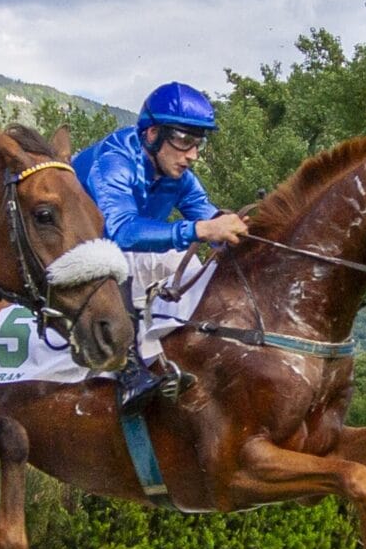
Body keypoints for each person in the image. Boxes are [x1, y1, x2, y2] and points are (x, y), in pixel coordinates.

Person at [72, 81, 249, 412]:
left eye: (198, 142)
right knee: (120, 261)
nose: (192, 155)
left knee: (193, 267)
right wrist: (202, 229)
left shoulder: (178, 175)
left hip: (117, 253)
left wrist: (240, 232)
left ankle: (181, 355)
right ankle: (129, 372)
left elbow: (208, 217)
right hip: (78, 253)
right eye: (183, 140)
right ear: (152, 134)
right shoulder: (114, 161)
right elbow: (122, 231)